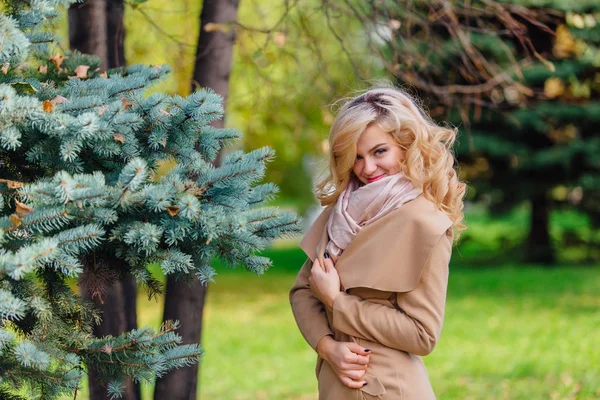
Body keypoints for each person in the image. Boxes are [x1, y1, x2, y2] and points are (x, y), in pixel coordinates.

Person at [289, 87, 467, 399]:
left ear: (405, 145)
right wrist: (328, 347)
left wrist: (337, 302)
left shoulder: (424, 225)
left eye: (379, 152)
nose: (367, 168)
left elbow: (422, 334)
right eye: (356, 157)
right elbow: (303, 291)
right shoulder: (343, 211)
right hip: (335, 387)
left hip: (390, 390)